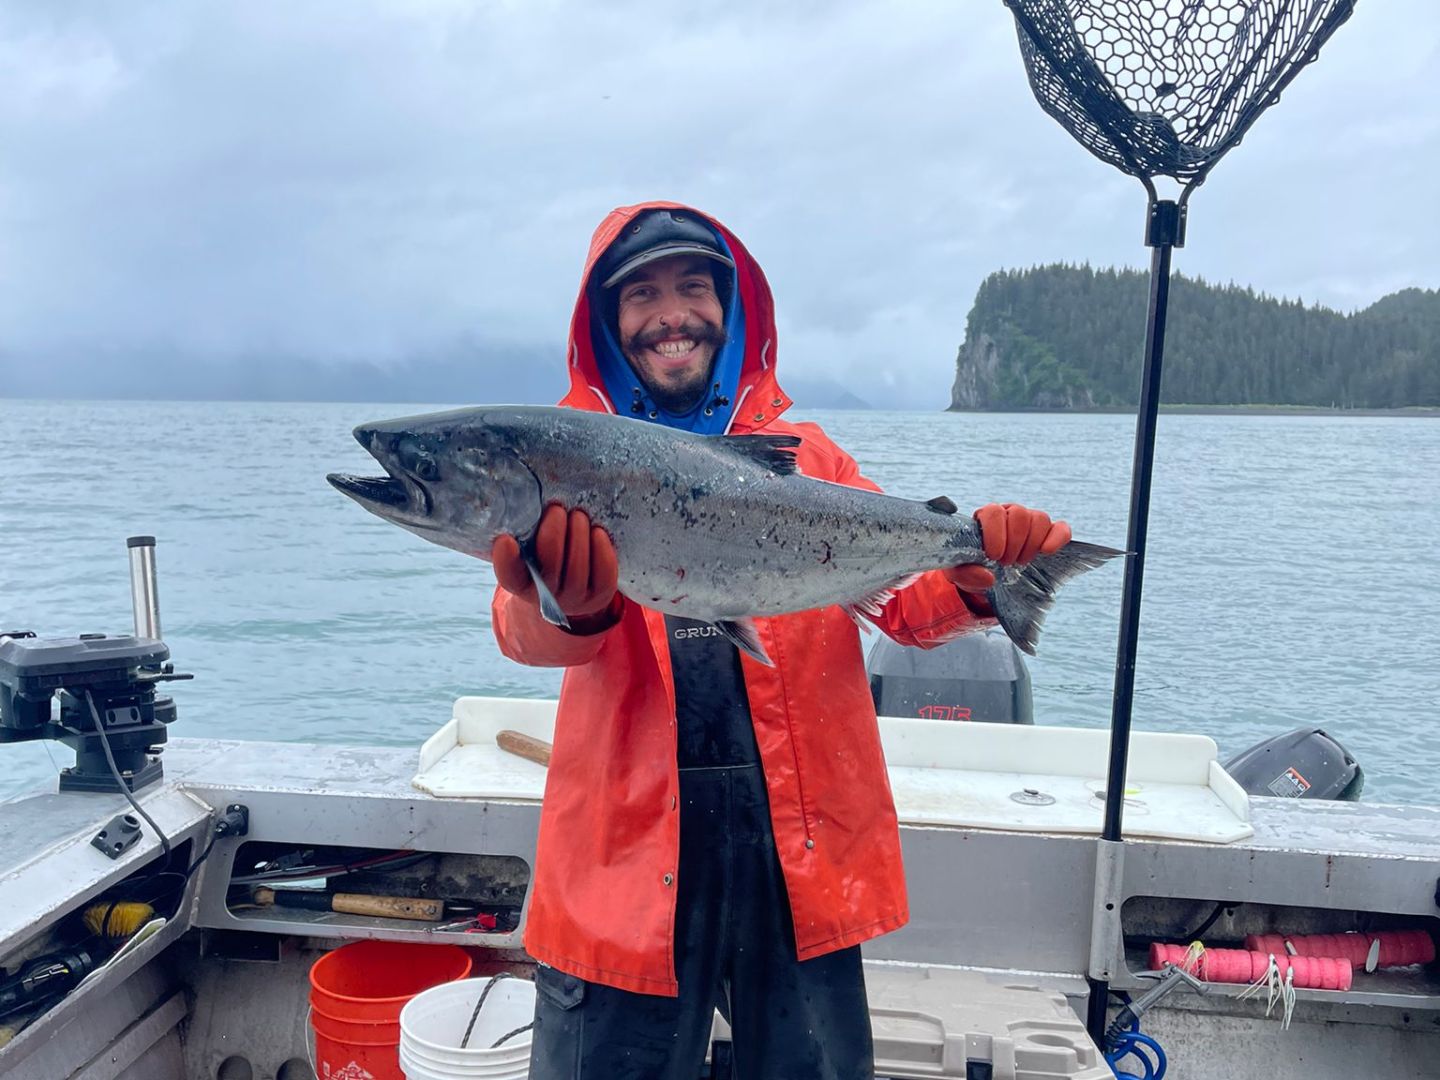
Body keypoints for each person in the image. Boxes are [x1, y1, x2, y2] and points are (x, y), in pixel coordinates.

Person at [489, 203, 1070, 1080]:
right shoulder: (566, 458)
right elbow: (517, 632)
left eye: (693, 287)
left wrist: (979, 569)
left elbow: (902, 604)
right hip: (626, 845)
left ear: (732, 310)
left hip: (796, 844)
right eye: (641, 294)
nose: (671, 313)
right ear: (608, 323)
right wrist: (570, 608)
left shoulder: (808, 457)